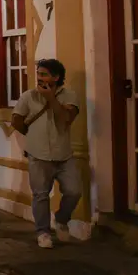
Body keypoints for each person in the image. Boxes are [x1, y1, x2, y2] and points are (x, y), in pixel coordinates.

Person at [13, 59, 82, 249]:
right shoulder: (29, 96)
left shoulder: (70, 96)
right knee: (40, 195)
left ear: (56, 77)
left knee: (74, 191)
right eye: (38, 74)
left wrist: (51, 98)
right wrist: (33, 135)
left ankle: (61, 219)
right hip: (38, 154)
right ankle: (43, 232)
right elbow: (17, 120)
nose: (39, 78)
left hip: (63, 155)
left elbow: (65, 120)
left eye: (44, 74)